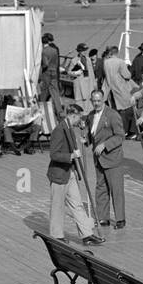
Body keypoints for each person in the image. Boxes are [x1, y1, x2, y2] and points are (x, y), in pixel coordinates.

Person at [46, 105, 103, 246]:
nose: (80, 120)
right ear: (73, 115)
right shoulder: (59, 130)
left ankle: (87, 235)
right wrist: (71, 156)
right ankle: (56, 235)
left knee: (77, 204)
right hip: (59, 174)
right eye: (79, 117)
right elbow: (53, 154)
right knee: (57, 205)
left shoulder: (70, 129)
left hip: (70, 172)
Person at [89, 89, 129, 229]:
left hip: (112, 158)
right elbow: (92, 135)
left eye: (99, 100)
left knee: (116, 189)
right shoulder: (91, 115)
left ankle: (120, 219)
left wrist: (105, 145)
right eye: (94, 101)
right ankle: (103, 217)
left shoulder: (112, 115)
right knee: (101, 188)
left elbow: (120, 136)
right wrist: (85, 139)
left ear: (103, 100)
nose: (96, 103)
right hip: (98, 158)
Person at [101, 46, 136, 136]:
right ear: (117, 52)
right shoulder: (120, 62)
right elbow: (127, 75)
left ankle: (115, 128)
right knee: (125, 110)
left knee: (114, 110)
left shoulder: (106, 62)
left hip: (110, 89)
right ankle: (124, 130)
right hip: (120, 88)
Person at [39, 32, 63, 110]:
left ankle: (41, 109)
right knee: (55, 94)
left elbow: (45, 64)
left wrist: (41, 68)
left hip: (47, 73)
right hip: (54, 73)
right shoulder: (55, 50)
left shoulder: (44, 51)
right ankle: (59, 110)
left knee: (44, 92)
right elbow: (56, 62)